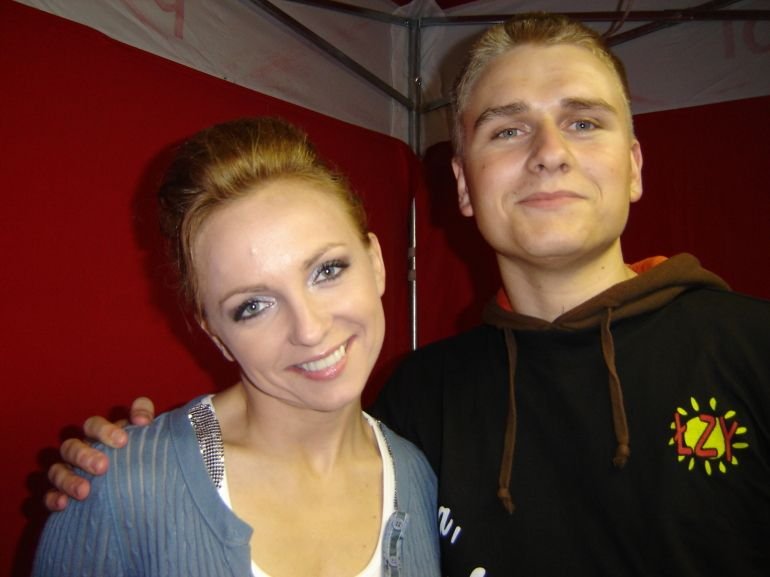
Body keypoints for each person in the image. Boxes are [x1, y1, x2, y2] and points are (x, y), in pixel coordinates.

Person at [44, 12, 770, 576]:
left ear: (635, 166)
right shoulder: (421, 401)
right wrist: (132, 468)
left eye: (583, 122)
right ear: (462, 183)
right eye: (508, 130)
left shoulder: (752, 352)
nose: (550, 151)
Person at [33, 117, 440, 577]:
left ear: (376, 263)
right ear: (215, 335)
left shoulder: (417, 477)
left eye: (326, 271)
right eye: (253, 306)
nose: (309, 329)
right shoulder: (125, 490)